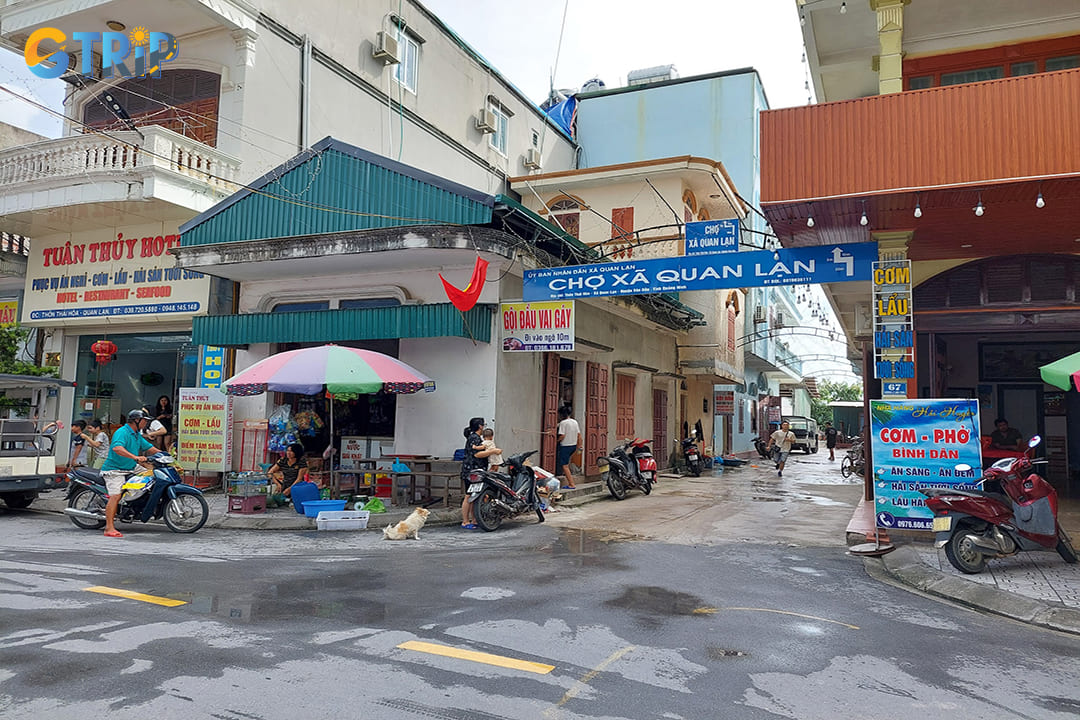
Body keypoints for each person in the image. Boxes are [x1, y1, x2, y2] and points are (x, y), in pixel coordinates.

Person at [99, 409, 156, 538]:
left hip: (130, 466)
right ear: (136, 420)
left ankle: (134, 503)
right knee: (115, 496)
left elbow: (150, 448)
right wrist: (135, 457)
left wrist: (167, 456)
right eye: (144, 420)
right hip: (115, 469)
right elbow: (117, 448)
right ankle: (109, 528)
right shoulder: (122, 432)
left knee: (153, 474)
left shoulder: (136, 435)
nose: (146, 423)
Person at [459, 417, 499, 529]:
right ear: (480, 426)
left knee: (475, 496)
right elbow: (477, 454)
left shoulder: (475, 438)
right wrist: (493, 451)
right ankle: (465, 521)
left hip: (477, 471)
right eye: (484, 424)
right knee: (468, 496)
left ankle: (474, 519)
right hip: (471, 472)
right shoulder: (474, 438)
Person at [556, 405, 582, 490]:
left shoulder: (563, 423)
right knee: (567, 463)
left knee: (565, 466)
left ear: (561, 415)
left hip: (565, 446)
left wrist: (556, 441)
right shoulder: (575, 422)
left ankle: (571, 484)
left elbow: (562, 436)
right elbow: (579, 435)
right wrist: (579, 446)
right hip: (573, 446)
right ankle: (566, 477)